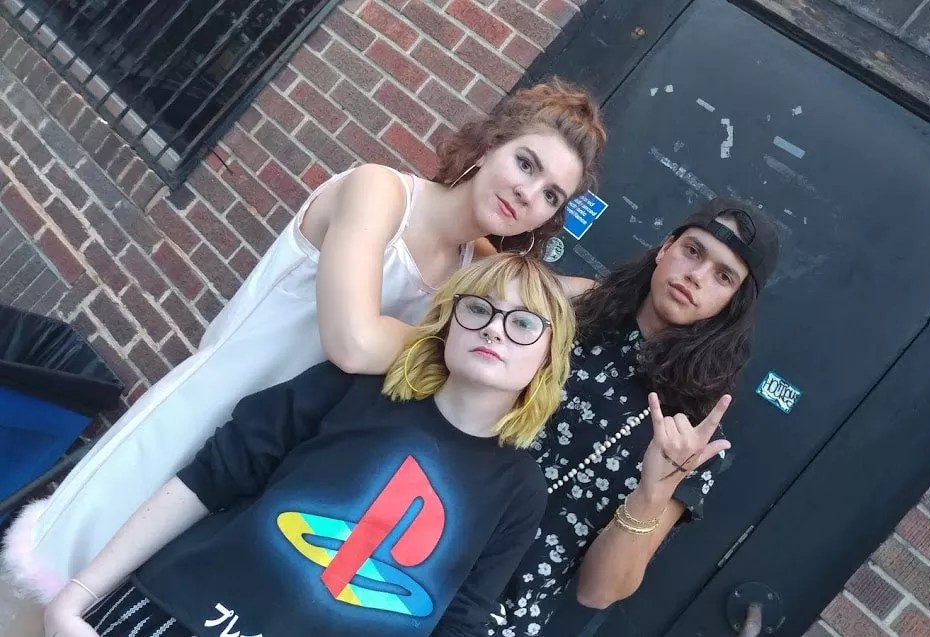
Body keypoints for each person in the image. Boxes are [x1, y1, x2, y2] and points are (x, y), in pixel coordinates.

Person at [1, 79, 606, 603]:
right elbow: (353, 343)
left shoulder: (478, 272)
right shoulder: (381, 193)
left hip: (277, 463)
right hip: (207, 415)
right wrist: (456, 344)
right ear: (491, 143)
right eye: (526, 164)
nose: (529, 193)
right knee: (62, 587)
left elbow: (531, 310)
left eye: (552, 195)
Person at [42, 253, 577, 637]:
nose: (494, 329)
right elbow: (211, 477)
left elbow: (460, 621)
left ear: (549, 356)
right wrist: (79, 596)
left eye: (523, 322)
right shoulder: (354, 388)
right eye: (478, 309)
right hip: (175, 613)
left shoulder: (520, 489)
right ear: (448, 322)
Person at [490, 197, 779, 636]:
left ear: (732, 304)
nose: (696, 276)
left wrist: (653, 491)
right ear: (665, 248)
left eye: (723, 276)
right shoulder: (571, 310)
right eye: (693, 251)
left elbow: (599, 592)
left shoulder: (690, 437)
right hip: (415, 538)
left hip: (496, 614)